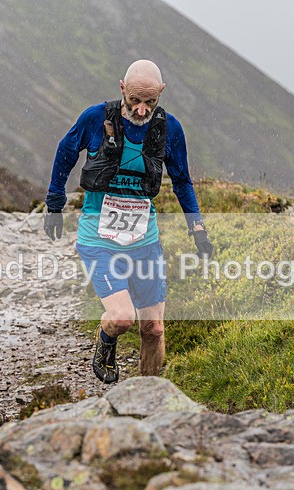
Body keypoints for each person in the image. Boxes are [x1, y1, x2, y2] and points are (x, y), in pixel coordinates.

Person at [44, 59, 214, 384]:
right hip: (99, 239)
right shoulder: (95, 118)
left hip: (144, 242)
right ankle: (106, 340)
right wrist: (54, 203)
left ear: (162, 93)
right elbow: (65, 152)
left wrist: (198, 228)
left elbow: (182, 181)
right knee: (122, 318)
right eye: (134, 99)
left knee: (153, 328)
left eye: (150, 102)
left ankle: (147, 397)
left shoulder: (169, 129)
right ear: (122, 87)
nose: (140, 110)